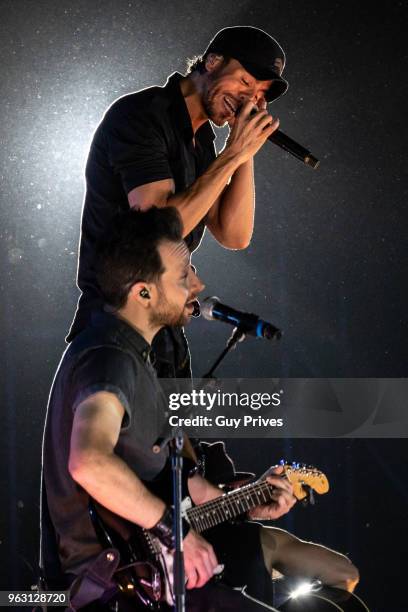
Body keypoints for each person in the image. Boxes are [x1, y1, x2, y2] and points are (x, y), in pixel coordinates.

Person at [41, 208, 358, 611]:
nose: (198, 284)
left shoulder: (134, 360)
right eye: (183, 276)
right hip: (116, 587)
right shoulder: (109, 358)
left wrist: (249, 499)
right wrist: (176, 535)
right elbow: (88, 462)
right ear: (143, 293)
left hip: (147, 574)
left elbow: (175, 485)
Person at [66, 25, 289, 379]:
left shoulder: (203, 144)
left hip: (164, 329)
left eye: (259, 95)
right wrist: (233, 154)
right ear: (213, 62)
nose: (250, 99)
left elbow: (235, 235)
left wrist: (245, 151)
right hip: (115, 325)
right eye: (245, 83)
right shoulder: (141, 115)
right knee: (113, 432)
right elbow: (157, 230)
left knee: (172, 436)